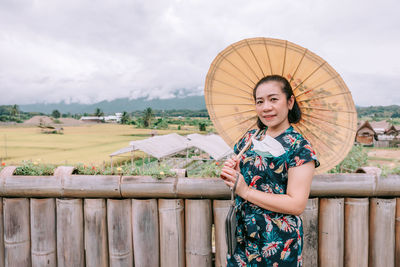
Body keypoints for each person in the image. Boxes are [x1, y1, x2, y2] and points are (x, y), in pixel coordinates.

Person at [220, 75, 320, 266]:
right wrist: (232, 173)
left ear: (290, 102)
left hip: (278, 243)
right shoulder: (249, 138)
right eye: (260, 101)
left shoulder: (300, 148)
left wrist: (246, 191)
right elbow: (242, 180)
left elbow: (296, 204)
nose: (266, 107)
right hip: (242, 237)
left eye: (273, 99)